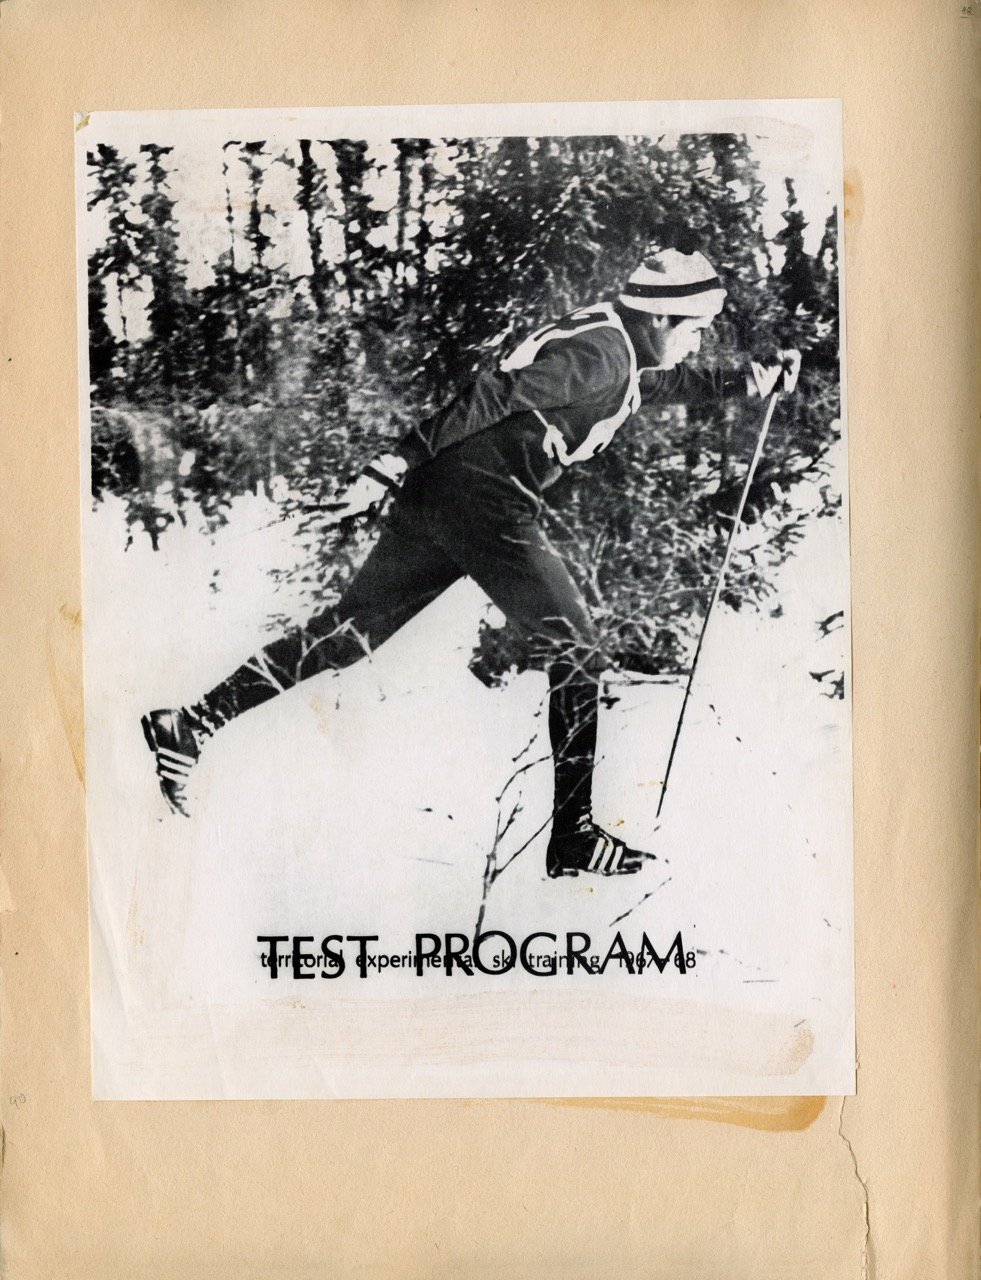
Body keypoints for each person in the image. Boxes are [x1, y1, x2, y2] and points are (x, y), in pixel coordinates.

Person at [142, 241, 800, 878]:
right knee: (576, 653)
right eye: (693, 331)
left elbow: (643, 387)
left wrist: (742, 380)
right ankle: (571, 839)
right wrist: (394, 460)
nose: (694, 343)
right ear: (660, 317)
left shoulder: (614, 343)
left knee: (349, 634)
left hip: (449, 496)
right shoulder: (601, 352)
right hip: (487, 502)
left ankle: (189, 723)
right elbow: (495, 393)